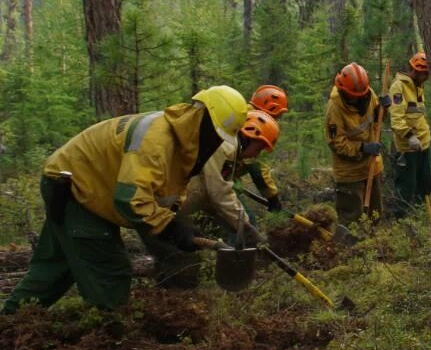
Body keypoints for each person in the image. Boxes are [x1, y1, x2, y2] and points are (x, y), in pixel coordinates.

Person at [3, 86, 250, 313]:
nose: (216, 142)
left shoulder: (183, 141)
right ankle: (109, 337)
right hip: (74, 188)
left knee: (55, 268)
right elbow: (130, 198)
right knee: (111, 271)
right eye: (216, 134)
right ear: (202, 118)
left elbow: (163, 188)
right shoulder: (157, 140)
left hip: (88, 186)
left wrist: (174, 221)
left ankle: (9, 322)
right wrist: (170, 228)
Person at [143, 110, 281, 289]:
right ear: (250, 135)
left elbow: (212, 194)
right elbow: (219, 193)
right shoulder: (222, 147)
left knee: (181, 260)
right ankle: (169, 302)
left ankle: (169, 291)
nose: (257, 154)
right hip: (155, 208)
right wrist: (246, 227)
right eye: (260, 148)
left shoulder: (231, 151)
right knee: (181, 263)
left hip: (175, 206)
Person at [325, 63, 387, 227]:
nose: (357, 98)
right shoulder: (334, 108)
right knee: (351, 219)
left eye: (360, 95)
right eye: (353, 95)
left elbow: (376, 119)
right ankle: (349, 251)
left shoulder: (368, 93)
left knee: (375, 215)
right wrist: (363, 147)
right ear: (343, 90)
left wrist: (383, 108)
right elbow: (336, 143)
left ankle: (373, 250)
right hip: (349, 174)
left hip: (372, 167)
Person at [388, 52, 431, 217]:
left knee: (426, 183)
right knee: (406, 187)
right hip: (407, 148)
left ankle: (423, 218)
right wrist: (410, 136)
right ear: (416, 71)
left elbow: (418, 114)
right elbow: (397, 119)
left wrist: (423, 137)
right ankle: (402, 224)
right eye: (424, 74)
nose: (427, 77)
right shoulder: (398, 87)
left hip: (424, 145)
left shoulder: (419, 87)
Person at [244, 85, 289, 212]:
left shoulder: (245, 114)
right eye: (277, 115)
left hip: (219, 177)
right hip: (215, 178)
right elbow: (256, 165)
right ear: (270, 109)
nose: (277, 120)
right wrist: (273, 197)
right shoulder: (251, 124)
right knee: (244, 220)